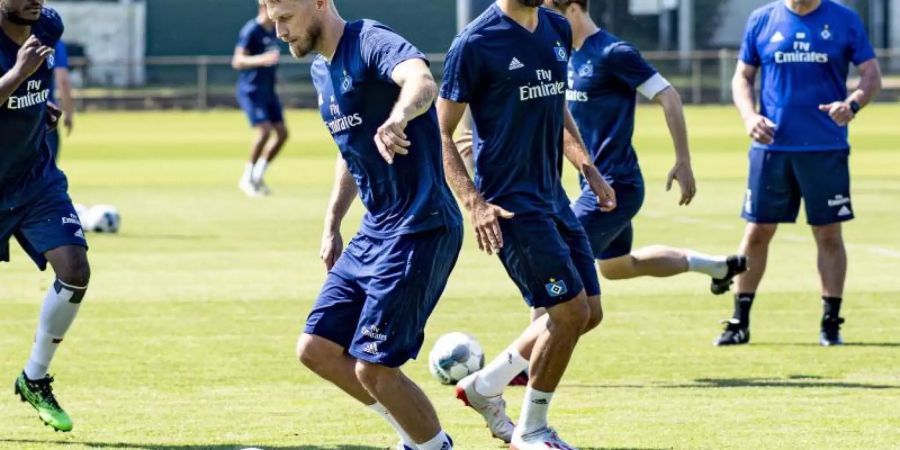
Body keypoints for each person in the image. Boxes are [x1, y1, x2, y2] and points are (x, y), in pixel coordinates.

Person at [265, 1, 463, 449]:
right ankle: (415, 436)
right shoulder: (322, 71)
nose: (279, 32)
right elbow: (349, 149)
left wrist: (399, 115)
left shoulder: (369, 40)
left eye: (285, 19)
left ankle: (432, 446)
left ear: (319, 3)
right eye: (273, 21)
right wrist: (332, 221)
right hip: (374, 229)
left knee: (372, 367)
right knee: (316, 350)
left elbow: (421, 80)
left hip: (420, 224)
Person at [438, 1, 616, 448]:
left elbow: (556, 109)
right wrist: (474, 204)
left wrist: (587, 167)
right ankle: (532, 430)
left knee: (588, 313)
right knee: (568, 311)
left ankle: (484, 386)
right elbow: (439, 133)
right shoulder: (475, 43)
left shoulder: (556, 27)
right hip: (511, 205)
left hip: (554, 196)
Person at [543, 0, 747, 294]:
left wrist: (683, 160)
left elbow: (670, 97)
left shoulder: (614, 53)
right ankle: (716, 266)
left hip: (617, 185)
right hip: (595, 183)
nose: (547, 24)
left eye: (552, 16)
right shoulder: (567, 54)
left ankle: (541, 337)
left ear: (573, 9)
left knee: (558, 252)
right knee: (617, 267)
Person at [720, 0, 882, 346]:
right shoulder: (762, 20)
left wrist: (852, 104)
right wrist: (750, 117)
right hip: (772, 149)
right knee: (758, 232)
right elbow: (743, 77)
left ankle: (830, 323)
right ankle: (739, 321)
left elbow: (871, 74)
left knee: (827, 234)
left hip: (824, 148)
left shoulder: (843, 19)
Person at [1, 0, 90, 432]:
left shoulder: (49, 25)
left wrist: (41, 109)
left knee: (74, 269)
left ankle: (34, 377)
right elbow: (19, 78)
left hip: (35, 179)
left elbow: (34, 87)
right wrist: (16, 76)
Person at [233, 0, 288, 197]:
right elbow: (237, 60)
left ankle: (257, 176)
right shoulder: (252, 30)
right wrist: (261, 60)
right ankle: (246, 178)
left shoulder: (274, 30)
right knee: (264, 131)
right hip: (252, 90)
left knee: (282, 134)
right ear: (263, 7)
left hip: (268, 91)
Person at [47, 38, 73, 160]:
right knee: (46, 172)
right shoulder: (53, 42)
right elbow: (62, 80)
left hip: (11, 116)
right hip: (45, 117)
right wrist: (68, 113)